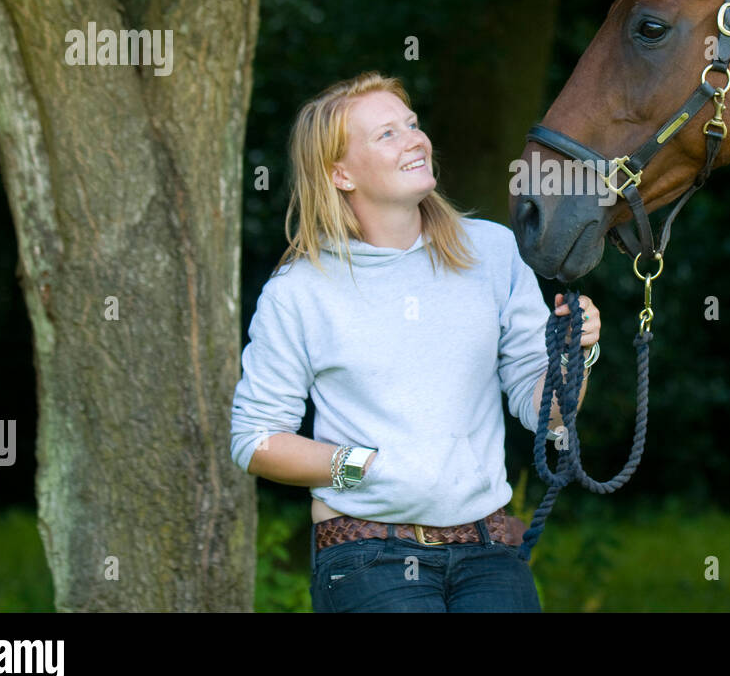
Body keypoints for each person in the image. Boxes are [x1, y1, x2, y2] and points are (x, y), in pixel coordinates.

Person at [229, 71, 601, 612]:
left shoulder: (493, 253)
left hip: (487, 549)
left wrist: (576, 354)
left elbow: (547, 413)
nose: (415, 139)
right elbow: (255, 440)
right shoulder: (300, 292)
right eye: (387, 134)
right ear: (340, 173)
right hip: (366, 555)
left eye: (412, 124)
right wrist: (361, 466)